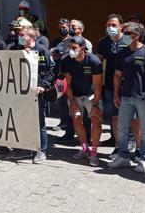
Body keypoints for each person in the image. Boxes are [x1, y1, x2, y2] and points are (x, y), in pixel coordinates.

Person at [109, 22, 145, 173]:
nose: (124, 36)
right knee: (122, 128)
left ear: (137, 35)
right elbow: (117, 75)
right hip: (126, 97)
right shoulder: (123, 53)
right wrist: (115, 94)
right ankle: (123, 157)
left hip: (144, 97)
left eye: (127, 33)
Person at [8, 26, 55, 164]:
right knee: (22, 120)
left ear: (31, 37)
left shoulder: (41, 51)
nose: (20, 37)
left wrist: (43, 86)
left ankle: (41, 150)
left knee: (38, 122)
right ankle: (26, 148)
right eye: (19, 35)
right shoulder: (16, 50)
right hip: (20, 93)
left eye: (23, 35)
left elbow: (51, 70)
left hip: (36, 93)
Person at [61, 36, 104, 166]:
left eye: (74, 48)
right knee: (76, 118)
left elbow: (97, 85)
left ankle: (94, 152)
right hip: (75, 95)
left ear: (82, 49)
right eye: (69, 48)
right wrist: (72, 104)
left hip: (91, 95)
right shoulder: (66, 61)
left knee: (95, 120)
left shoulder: (94, 61)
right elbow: (67, 83)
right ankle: (85, 148)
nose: (71, 51)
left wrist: (96, 104)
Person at [96, 14, 131, 152]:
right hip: (109, 85)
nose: (110, 28)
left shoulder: (129, 40)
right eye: (108, 25)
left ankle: (133, 144)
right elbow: (99, 62)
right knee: (114, 116)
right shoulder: (103, 43)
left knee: (132, 118)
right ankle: (118, 146)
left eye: (114, 25)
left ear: (121, 26)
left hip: (129, 85)